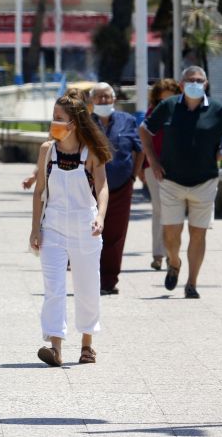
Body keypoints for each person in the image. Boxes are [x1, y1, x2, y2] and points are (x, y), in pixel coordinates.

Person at [139, 66, 222, 298]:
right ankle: (174, 261)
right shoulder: (169, 106)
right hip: (171, 180)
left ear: (206, 84)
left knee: (198, 233)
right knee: (171, 235)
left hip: (205, 181)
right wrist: (152, 160)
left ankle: (192, 283)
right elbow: (144, 130)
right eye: (190, 80)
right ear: (181, 85)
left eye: (199, 80)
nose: (195, 83)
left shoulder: (218, 109)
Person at [29, 93, 111, 366]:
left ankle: (87, 344)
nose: (54, 122)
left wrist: (100, 216)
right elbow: (39, 190)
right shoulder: (47, 151)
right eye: (53, 117)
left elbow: (102, 188)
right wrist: (35, 229)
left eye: (59, 118)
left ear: (74, 123)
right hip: (52, 226)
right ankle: (55, 346)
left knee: (87, 287)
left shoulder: (91, 153)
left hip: (85, 227)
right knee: (53, 287)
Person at [90, 82, 142, 295]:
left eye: (107, 97)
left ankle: (109, 282)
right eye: (99, 97)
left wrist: (133, 176)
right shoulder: (85, 123)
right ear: (92, 101)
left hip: (121, 186)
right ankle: (91, 279)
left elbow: (140, 149)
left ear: (114, 99)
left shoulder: (127, 121)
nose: (103, 101)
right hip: (90, 189)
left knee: (116, 235)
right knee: (91, 233)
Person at [141, 79, 181, 271]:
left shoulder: (185, 113)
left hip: (178, 167)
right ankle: (158, 254)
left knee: (173, 211)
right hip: (154, 166)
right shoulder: (152, 114)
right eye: (162, 98)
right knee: (159, 209)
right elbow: (143, 140)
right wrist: (142, 167)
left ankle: (171, 253)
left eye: (170, 97)